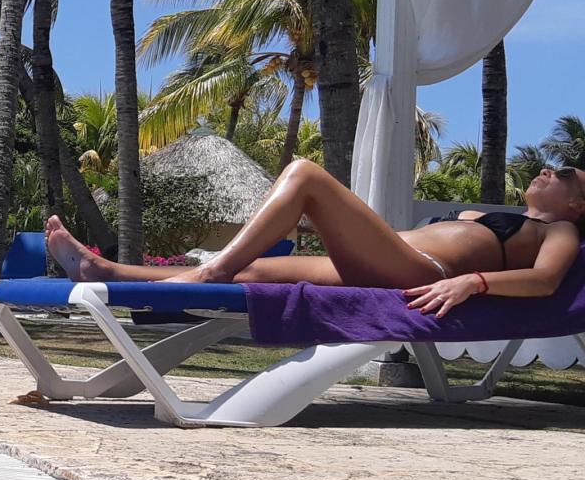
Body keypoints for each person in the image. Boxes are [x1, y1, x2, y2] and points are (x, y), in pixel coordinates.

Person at [46, 160, 585, 319]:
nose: (548, 170)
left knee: (304, 175)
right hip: (389, 263)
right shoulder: (497, 214)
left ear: (578, 205)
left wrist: (474, 282)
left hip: (423, 274)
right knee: (254, 272)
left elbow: (544, 281)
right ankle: (107, 271)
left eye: (564, 174)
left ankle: (210, 271)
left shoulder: (557, 230)